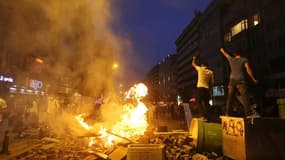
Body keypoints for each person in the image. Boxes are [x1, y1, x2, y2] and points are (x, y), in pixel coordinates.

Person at [219, 47, 258, 117]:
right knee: (244, 97)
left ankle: (227, 113)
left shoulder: (231, 59)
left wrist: (222, 50)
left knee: (230, 97)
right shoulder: (244, 60)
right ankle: (248, 114)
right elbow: (248, 69)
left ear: (234, 54)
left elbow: (225, 54)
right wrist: (253, 78)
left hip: (232, 80)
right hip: (241, 80)